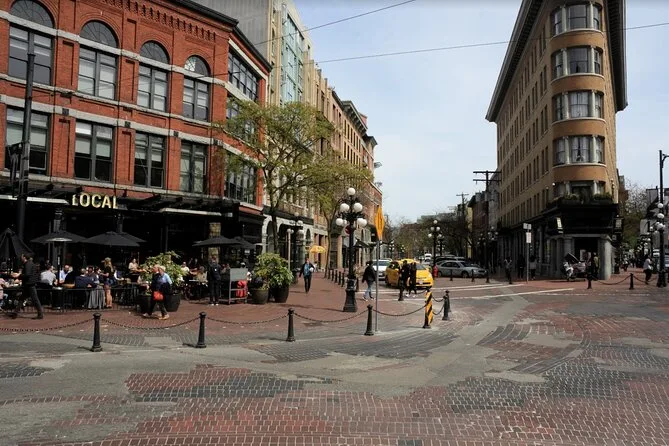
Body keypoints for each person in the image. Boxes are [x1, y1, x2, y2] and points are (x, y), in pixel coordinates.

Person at [12, 254, 44, 319]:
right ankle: (15, 313)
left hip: (30, 285)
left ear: (24, 257)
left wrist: (18, 275)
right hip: (28, 284)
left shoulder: (28, 264)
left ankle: (40, 314)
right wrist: (19, 275)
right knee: (22, 298)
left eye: (22, 256)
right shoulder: (29, 263)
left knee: (35, 299)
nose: (21, 258)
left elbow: (27, 274)